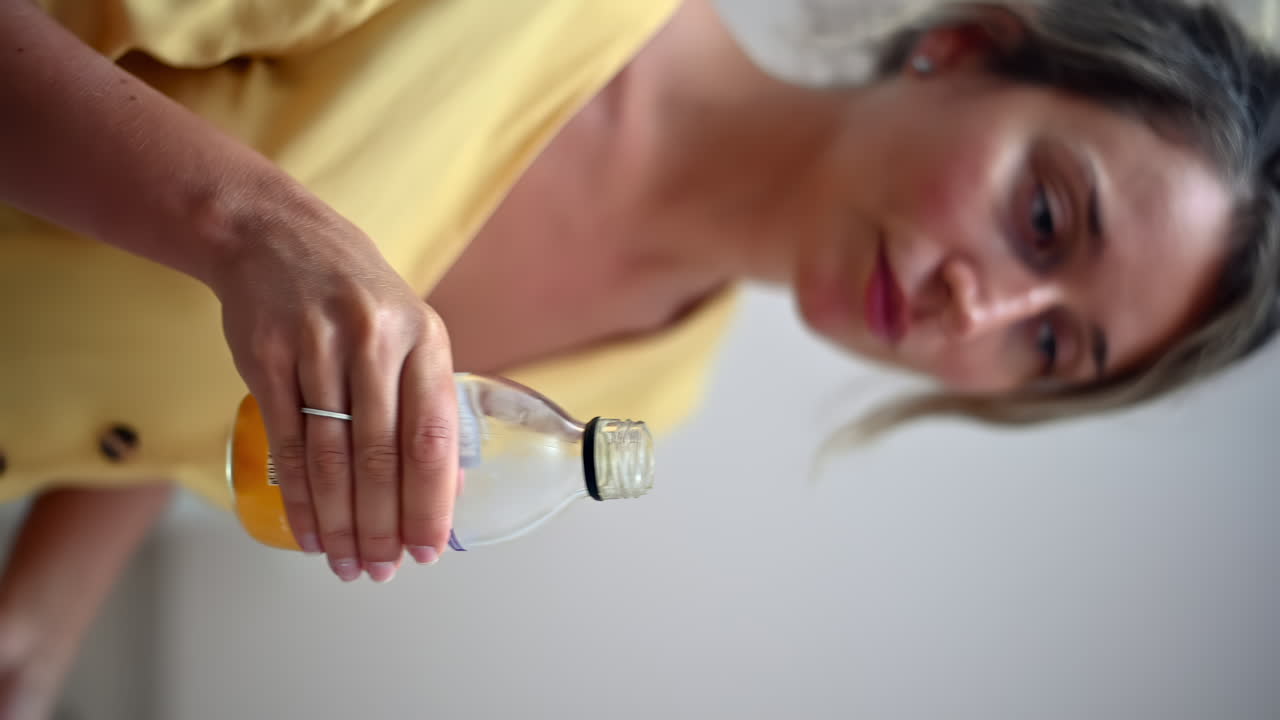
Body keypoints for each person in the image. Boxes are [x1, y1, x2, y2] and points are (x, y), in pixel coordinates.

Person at [0, 0, 1276, 713]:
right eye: (1042, 216)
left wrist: (42, 621)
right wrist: (249, 225)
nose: (976, 311)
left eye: (1051, 344)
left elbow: (178, 397)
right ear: (967, 46)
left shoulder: (643, 397)